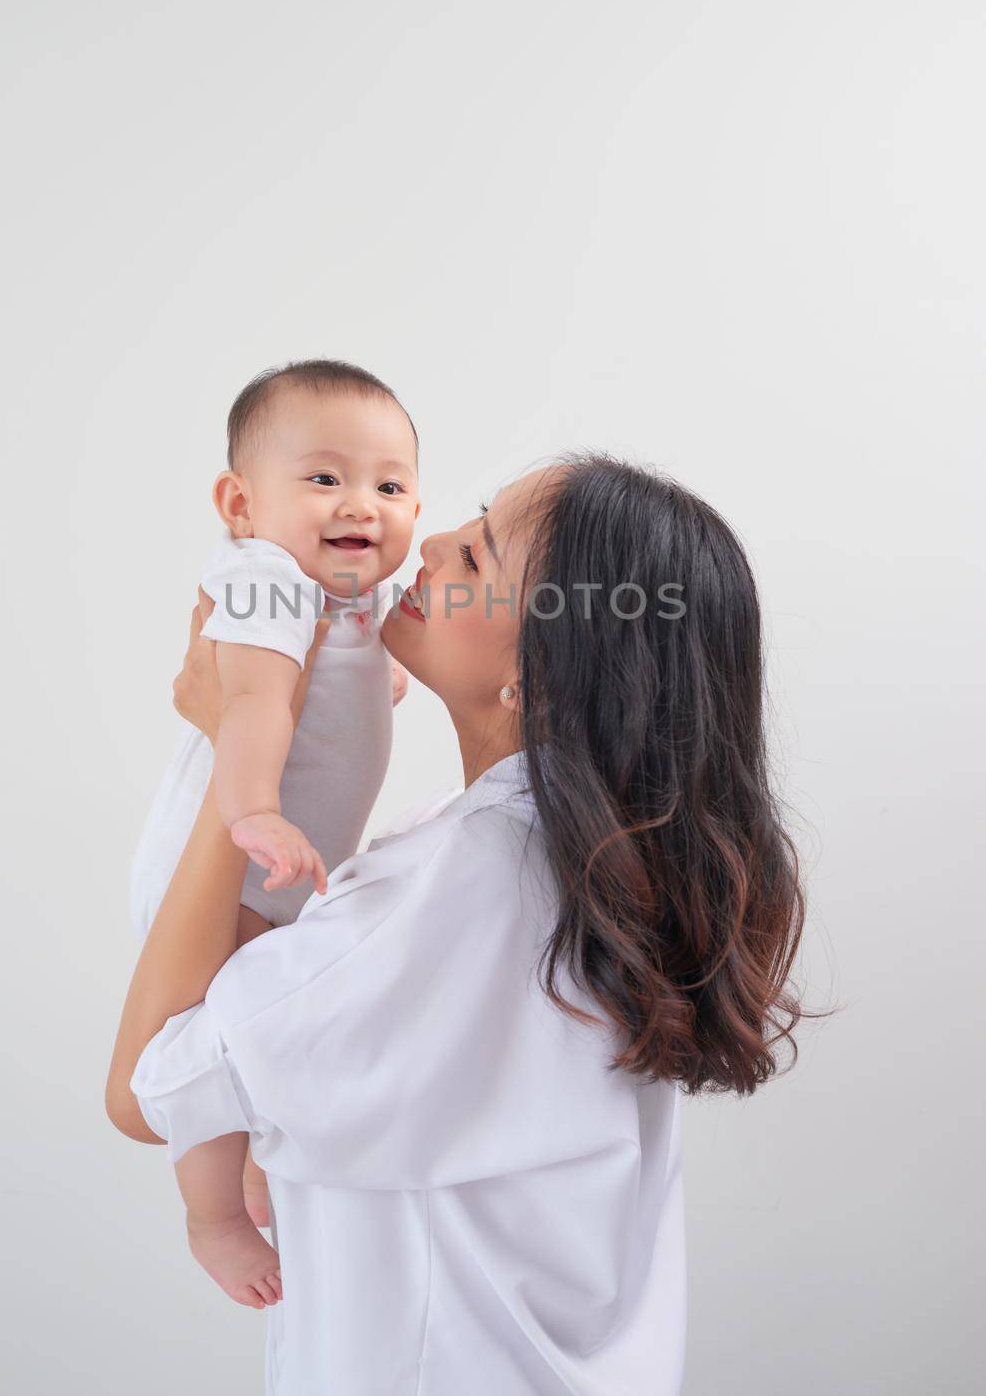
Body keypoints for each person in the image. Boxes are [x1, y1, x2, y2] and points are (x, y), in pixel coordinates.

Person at [107, 454, 812, 1395]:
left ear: (542, 672)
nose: (428, 543)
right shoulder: (569, 871)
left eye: (477, 558)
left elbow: (149, 1087)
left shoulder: (475, 882)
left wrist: (232, 768)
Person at [128, 357, 420, 1299]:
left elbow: (320, 690)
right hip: (232, 856)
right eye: (325, 478)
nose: (362, 505)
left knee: (249, 1032)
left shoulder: (339, 598)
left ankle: (254, 1162)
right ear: (240, 503)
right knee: (196, 1034)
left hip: (274, 864)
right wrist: (251, 811)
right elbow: (250, 701)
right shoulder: (263, 580)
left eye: (391, 485)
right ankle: (210, 1215)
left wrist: (375, 675)